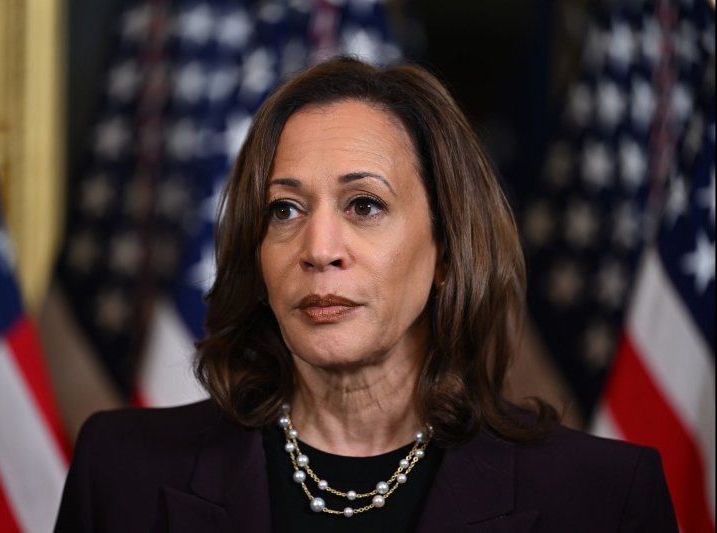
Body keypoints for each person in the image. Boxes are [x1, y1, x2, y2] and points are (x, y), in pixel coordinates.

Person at [55, 57, 677, 533]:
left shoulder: (603, 497)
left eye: (365, 205)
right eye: (285, 209)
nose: (319, 247)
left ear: (448, 252)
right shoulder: (120, 473)